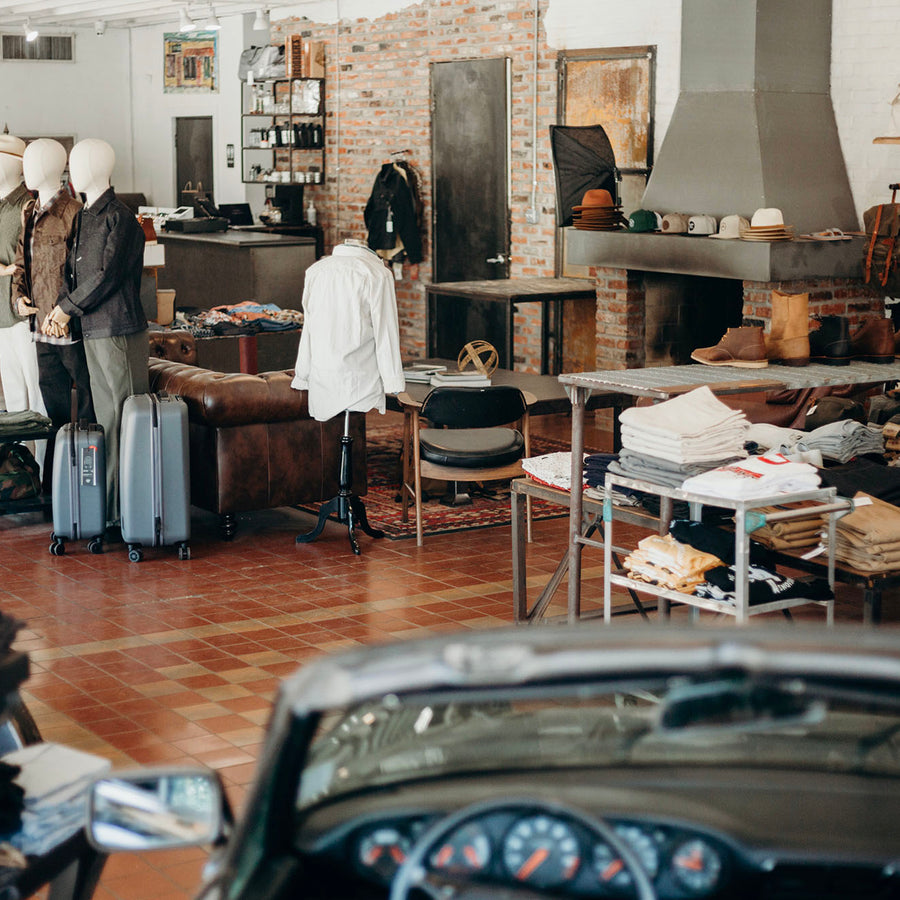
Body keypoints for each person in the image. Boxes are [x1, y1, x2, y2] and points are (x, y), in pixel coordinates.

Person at [46, 139, 148, 530]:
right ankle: (108, 512)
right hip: (92, 328)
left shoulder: (119, 218)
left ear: (99, 166)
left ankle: (129, 513)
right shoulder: (85, 215)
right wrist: (61, 309)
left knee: (126, 420)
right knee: (106, 423)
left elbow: (106, 277)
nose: (71, 169)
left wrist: (65, 309)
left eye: (76, 162)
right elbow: (69, 272)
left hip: (119, 330)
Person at [12, 138, 93, 482]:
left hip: (69, 326)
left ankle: (90, 482)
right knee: (54, 412)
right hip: (39, 328)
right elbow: (21, 261)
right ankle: (56, 483)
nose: (25, 170)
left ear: (50, 167)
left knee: (88, 409)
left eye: (31, 162)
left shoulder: (74, 213)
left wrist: (65, 311)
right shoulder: (29, 212)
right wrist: (17, 298)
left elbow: (79, 270)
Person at [0, 135, 47, 449]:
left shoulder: (28, 206)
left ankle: (45, 474)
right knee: (15, 395)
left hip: (24, 310)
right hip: (2, 314)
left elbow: (35, 260)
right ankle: (23, 470)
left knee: (38, 393)